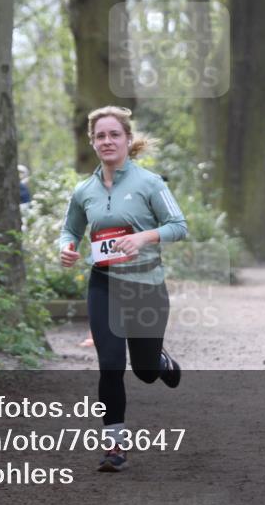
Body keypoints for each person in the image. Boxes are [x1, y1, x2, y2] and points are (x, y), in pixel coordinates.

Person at [59, 105, 188, 472]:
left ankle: (158, 361)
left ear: (128, 140)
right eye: (100, 135)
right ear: (92, 142)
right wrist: (66, 247)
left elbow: (178, 226)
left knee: (144, 371)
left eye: (114, 134)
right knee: (111, 365)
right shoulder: (84, 190)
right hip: (104, 284)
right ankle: (114, 448)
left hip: (145, 286)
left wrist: (143, 238)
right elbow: (70, 229)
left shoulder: (150, 183)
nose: (107, 141)